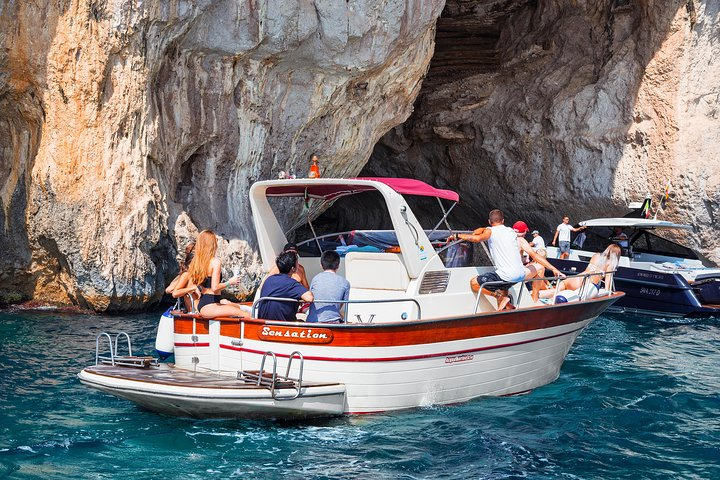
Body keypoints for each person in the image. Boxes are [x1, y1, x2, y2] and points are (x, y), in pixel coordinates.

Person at [453, 209, 564, 310]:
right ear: (503, 220)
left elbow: (477, 238)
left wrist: (457, 235)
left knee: (474, 283)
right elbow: (534, 256)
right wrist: (554, 269)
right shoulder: (512, 233)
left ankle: (499, 296)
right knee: (539, 267)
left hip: (506, 276)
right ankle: (531, 302)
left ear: (489, 222)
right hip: (520, 275)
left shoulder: (490, 231)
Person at [188, 230, 250, 318]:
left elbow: (192, 285)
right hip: (210, 305)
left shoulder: (197, 263)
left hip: (203, 303)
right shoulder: (215, 262)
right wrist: (230, 282)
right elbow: (215, 287)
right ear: (212, 244)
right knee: (246, 315)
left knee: (232, 307)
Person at [540, 244, 621, 300]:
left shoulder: (596, 255)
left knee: (555, 291)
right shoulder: (610, 264)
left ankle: (534, 294)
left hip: (576, 278)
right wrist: (608, 292)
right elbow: (608, 281)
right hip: (586, 284)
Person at [258, 251, 314, 321]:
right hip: (283, 326)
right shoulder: (291, 284)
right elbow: (309, 298)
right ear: (293, 268)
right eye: (297, 263)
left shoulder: (269, 280)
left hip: (264, 324)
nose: (299, 265)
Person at [306, 250, 350, 323]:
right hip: (334, 322)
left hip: (313, 321)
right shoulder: (345, 283)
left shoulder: (316, 279)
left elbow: (311, 296)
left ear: (321, 265)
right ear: (338, 265)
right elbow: (342, 304)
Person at [165, 243, 197, 311]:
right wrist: (189, 289)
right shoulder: (186, 275)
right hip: (195, 309)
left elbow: (169, 290)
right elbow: (169, 290)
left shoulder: (190, 275)